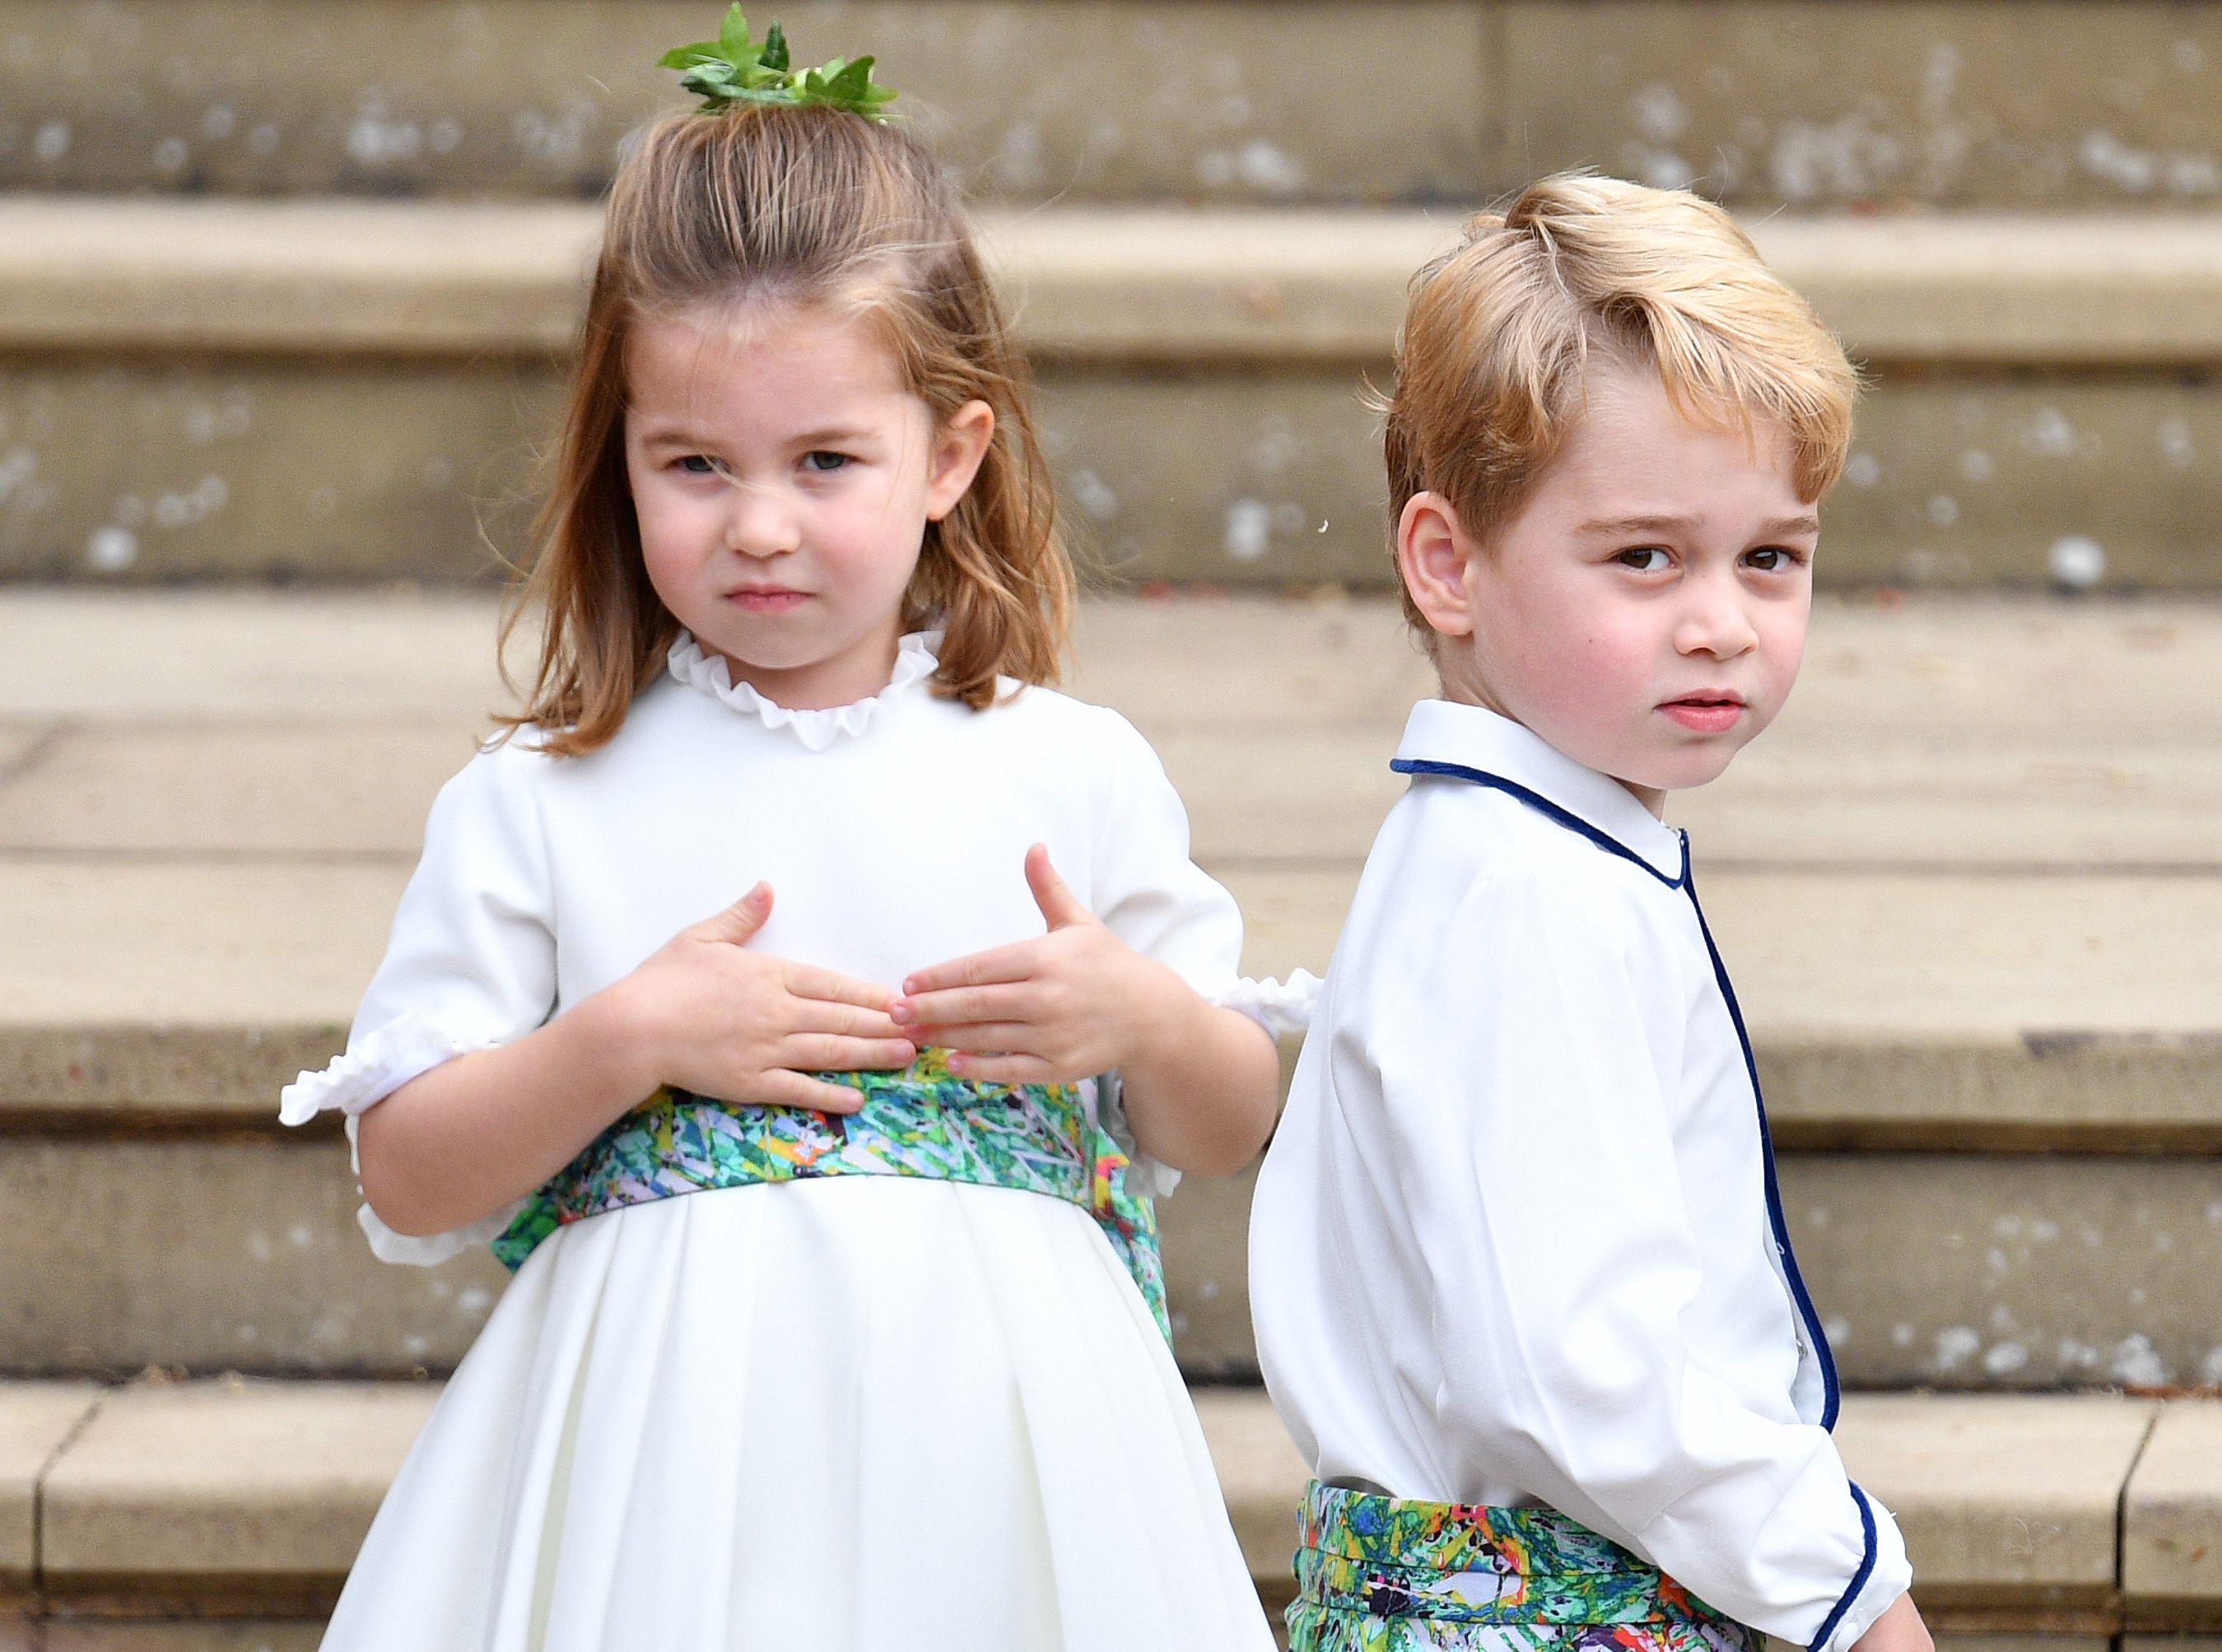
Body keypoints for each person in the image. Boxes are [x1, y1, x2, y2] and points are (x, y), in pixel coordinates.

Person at [280, 16, 1285, 1646]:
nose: (757, 522)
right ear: (618, 454)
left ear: (951, 452)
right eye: (694, 462)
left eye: (827, 460)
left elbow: (1233, 1119)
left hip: (1004, 1468)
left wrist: (1143, 1013)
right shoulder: (546, 798)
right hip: (663, 1485)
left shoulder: (1068, 767)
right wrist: (624, 1035)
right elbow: (406, 1168)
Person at [1246, 174, 1935, 1652]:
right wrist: (1850, 1589)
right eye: (1645, 557)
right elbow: (1575, 1372)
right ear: (1450, 564)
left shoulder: (1516, 855)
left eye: (1772, 555)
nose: (1721, 621)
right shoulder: (1529, 895)